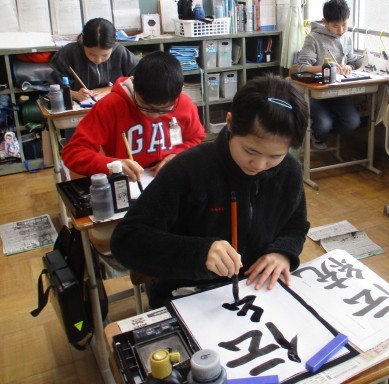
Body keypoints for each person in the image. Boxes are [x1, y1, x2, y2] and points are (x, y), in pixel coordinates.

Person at [110, 74, 310, 309]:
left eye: (274, 156)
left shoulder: (289, 171)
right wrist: (199, 253)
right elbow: (126, 241)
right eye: (250, 151)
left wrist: (283, 252)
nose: (259, 165)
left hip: (255, 292)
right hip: (187, 295)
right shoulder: (188, 170)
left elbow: (296, 226)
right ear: (230, 122)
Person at [61, 51, 205, 180]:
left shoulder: (184, 104)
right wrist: (113, 165)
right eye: (145, 106)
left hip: (169, 177)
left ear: (180, 90)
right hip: (127, 182)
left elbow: (196, 138)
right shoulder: (110, 106)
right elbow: (73, 153)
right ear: (135, 85)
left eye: (164, 110)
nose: (153, 115)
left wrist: (177, 156)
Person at [296, 0, 363, 149]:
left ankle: (320, 132)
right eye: (336, 26)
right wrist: (327, 68)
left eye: (344, 24)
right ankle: (319, 133)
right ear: (325, 22)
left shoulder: (347, 37)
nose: (341, 30)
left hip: (338, 91)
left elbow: (351, 60)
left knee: (352, 122)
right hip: (315, 92)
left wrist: (349, 66)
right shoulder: (313, 38)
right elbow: (302, 67)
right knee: (325, 124)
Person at [50, 18, 139, 103]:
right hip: (79, 108)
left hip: (113, 105)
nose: (98, 60)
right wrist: (74, 94)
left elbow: (140, 80)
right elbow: (51, 88)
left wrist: (110, 89)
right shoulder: (68, 53)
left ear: (114, 42)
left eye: (104, 55)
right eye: (92, 54)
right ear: (83, 41)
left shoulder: (120, 52)